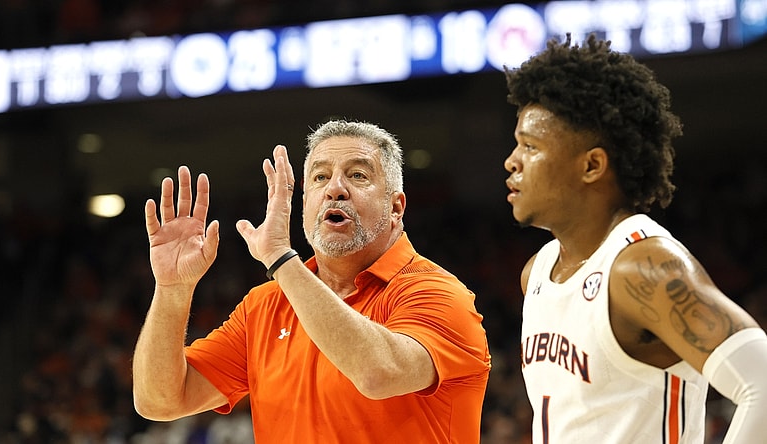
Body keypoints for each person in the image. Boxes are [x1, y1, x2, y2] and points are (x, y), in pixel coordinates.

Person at [132, 119, 491, 443]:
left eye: (358, 176)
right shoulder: (264, 307)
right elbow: (160, 400)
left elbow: (378, 374)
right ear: (305, 204)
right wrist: (172, 289)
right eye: (320, 177)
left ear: (395, 207)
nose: (335, 189)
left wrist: (280, 259)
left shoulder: (438, 294)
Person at [503, 34, 767, 443]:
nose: (512, 161)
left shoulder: (643, 267)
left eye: (530, 146)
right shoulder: (536, 273)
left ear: (592, 165)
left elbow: (762, 383)